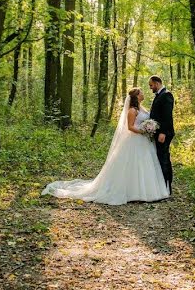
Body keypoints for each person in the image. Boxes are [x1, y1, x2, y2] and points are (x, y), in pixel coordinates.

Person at [41, 87, 170, 205]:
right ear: (136, 96)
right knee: (132, 164)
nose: (143, 93)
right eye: (141, 92)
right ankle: (132, 192)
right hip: (135, 140)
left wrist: (149, 127)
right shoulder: (132, 110)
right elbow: (130, 127)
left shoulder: (142, 108)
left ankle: (146, 191)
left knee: (144, 164)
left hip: (144, 142)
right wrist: (144, 131)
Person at [148, 75, 175, 195]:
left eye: (151, 85)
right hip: (159, 132)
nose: (150, 87)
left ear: (157, 83)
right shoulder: (159, 95)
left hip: (164, 133)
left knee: (164, 159)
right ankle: (163, 187)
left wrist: (163, 132)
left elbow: (167, 116)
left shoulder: (167, 95)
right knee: (161, 158)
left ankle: (166, 187)